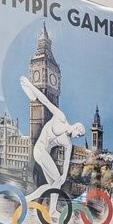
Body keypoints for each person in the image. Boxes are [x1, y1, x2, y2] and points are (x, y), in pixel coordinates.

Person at [18, 74, 89, 206]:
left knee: (54, 185)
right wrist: (30, 86)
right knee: (55, 182)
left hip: (43, 154)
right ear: (76, 127)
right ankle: (34, 202)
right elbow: (45, 101)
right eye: (79, 134)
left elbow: (67, 160)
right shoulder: (61, 118)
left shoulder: (68, 143)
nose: (77, 137)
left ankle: (34, 203)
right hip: (39, 150)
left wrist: (64, 176)